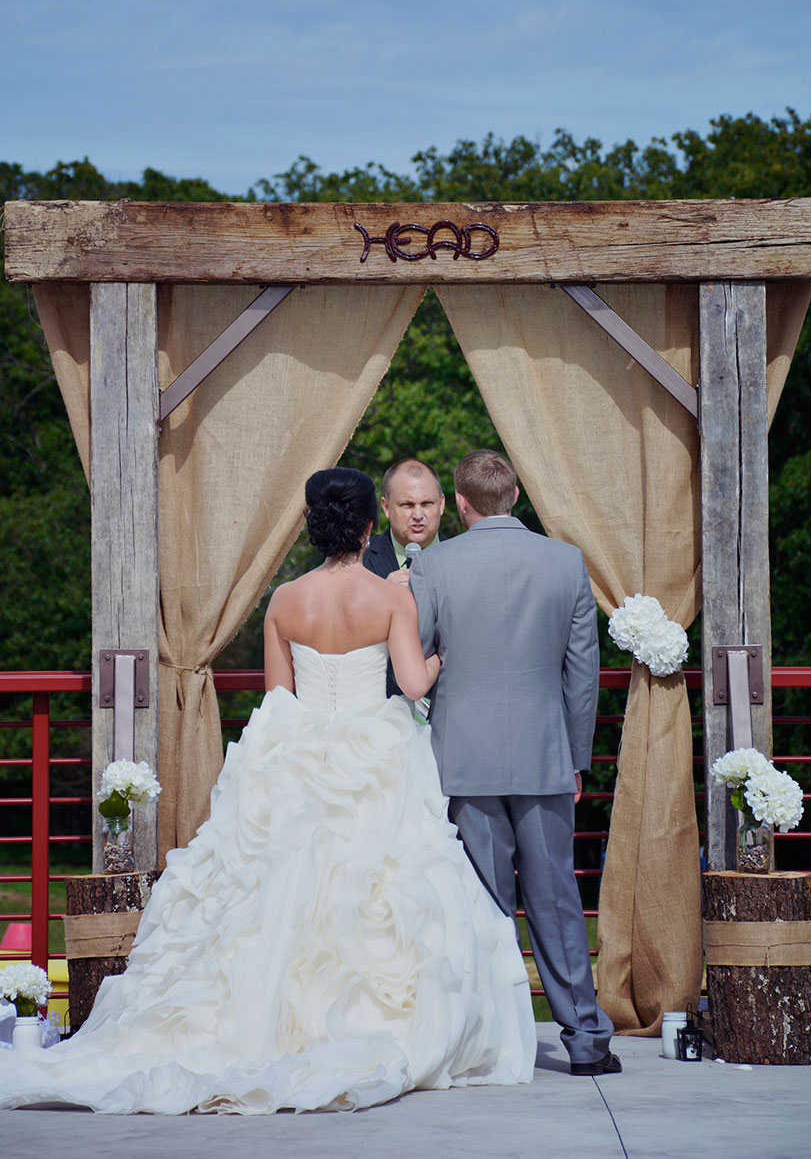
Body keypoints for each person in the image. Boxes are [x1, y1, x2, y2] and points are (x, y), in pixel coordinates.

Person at [0, 468, 534, 1115]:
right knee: (376, 890)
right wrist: (443, 658)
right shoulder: (391, 596)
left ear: (314, 528)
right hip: (376, 747)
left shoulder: (285, 600)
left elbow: (280, 696)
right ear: (370, 525)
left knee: (277, 889)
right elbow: (414, 684)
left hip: (299, 747)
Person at [409, 450, 620, 1076]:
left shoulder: (433, 565)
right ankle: (586, 1039)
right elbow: (582, 673)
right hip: (543, 754)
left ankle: (495, 1041)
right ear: (516, 497)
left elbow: (418, 657)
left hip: (462, 758)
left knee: (484, 903)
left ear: (460, 502)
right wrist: (575, 757)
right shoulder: (566, 561)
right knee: (555, 897)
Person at [363, 458, 445, 697]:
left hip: (449, 705)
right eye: (407, 505)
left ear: (441, 504)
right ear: (386, 507)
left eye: (427, 504)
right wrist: (377, 599)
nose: (418, 515)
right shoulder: (360, 560)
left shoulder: (466, 559)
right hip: (382, 703)